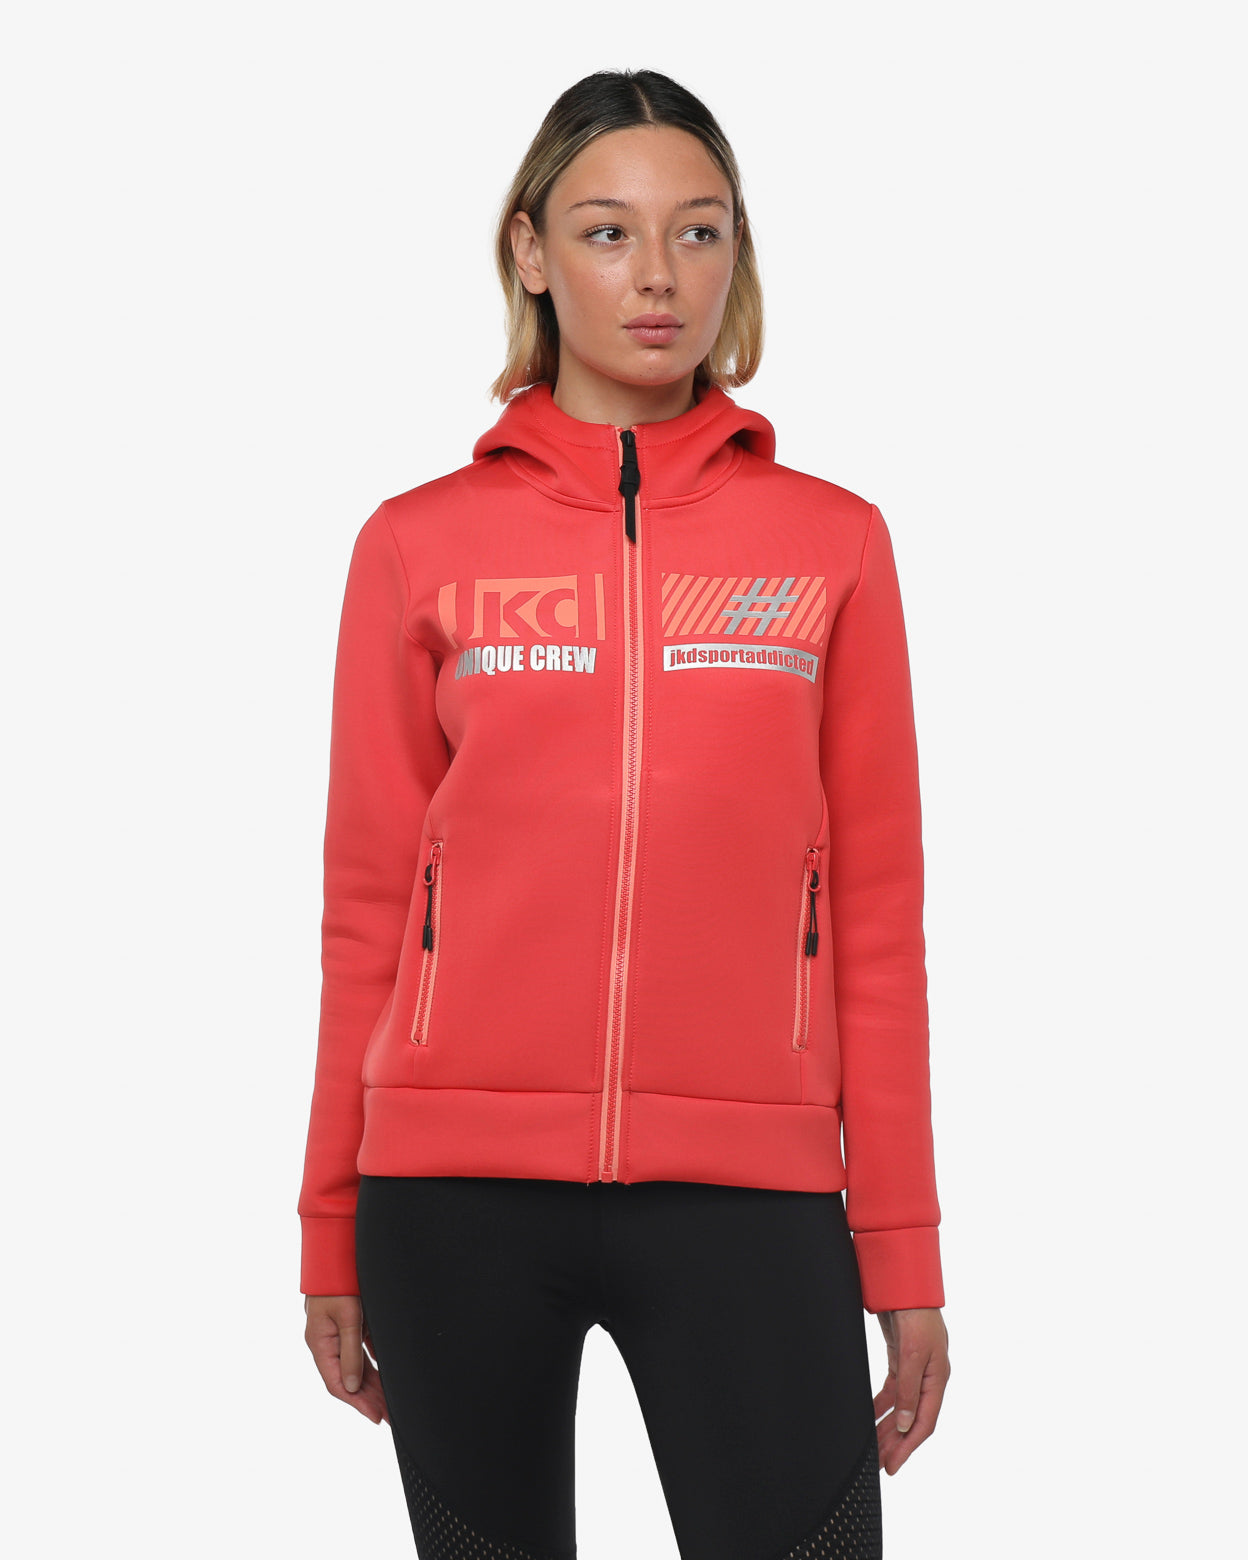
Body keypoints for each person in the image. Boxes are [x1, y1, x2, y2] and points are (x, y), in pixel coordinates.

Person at [298, 67, 951, 1560]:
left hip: (751, 1192)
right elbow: (367, 909)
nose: (658, 275)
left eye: (698, 231)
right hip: (451, 1197)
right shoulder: (418, 546)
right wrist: (329, 1217)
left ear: (736, 254)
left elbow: (876, 919)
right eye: (607, 231)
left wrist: (903, 1246)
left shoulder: (833, 545)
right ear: (530, 252)